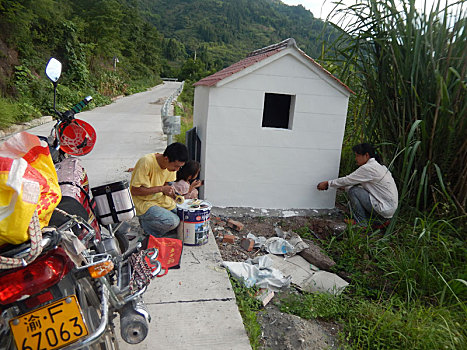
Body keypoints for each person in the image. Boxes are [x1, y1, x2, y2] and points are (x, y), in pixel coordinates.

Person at [317, 143, 398, 226]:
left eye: (357, 156)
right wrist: (338, 186)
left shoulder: (368, 168)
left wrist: (328, 183)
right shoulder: (379, 167)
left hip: (383, 207)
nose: (356, 159)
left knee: (353, 191)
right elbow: (354, 184)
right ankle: (379, 221)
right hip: (388, 209)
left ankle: (361, 222)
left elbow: (347, 180)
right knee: (351, 205)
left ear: (366, 155)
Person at [130, 142, 188, 237]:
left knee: (183, 216)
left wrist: (171, 193)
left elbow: (166, 184)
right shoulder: (146, 162)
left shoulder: (170, 168)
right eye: (176, 166)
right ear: (166, 159)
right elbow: (134, 191)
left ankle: (155, 225)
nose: (177, 170)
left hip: (159, 200)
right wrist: (161, 188)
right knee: (173, 222)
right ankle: (147, 228)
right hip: (143, 203)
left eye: (180, 167)